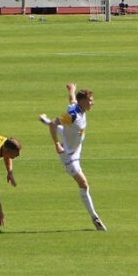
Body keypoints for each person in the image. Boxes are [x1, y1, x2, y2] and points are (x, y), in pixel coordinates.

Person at [38, 83, 105, 230]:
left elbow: (72, 100)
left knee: (67, 131)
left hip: (76, 145)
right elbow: (54, 125)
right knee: (84, 184)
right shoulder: (73, 116)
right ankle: (95, 218)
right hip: (68, 154)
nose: (92, 103)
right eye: (90, 100)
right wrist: (56, 144)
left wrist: (72, 90)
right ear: (83, 102)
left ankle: (44, 119)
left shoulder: (79, 108)